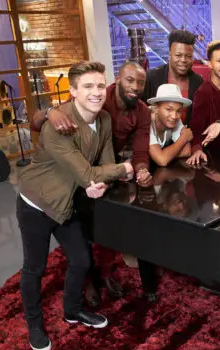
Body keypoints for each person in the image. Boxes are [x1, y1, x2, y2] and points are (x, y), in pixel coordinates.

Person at [17, 61, 133, 350]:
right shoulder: (59, 126)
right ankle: (34, 324)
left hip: (68, 203)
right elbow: (90, 174)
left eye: (99, 85)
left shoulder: (104, 119)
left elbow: (101, 166)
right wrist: (124, 169)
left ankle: (72, 311)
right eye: (87, 87)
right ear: (72, 91)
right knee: (35, 267)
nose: (96, 92)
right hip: (38, 204)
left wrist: (101, 182)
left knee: (81, 260)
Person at [30, 61, 153, 307]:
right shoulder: (97, 96)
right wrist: (49, 112)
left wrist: (141, 170)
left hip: (107, 169)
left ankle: (105, 273)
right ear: (117, 80)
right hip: (75, 169)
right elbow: (40, 121)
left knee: (111, 225)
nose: (136, 87)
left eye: (141, 82)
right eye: (130, 80)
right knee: (81, 231)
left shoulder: (142, 111)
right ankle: (87, 280)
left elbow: (140, 152)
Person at [187, 40, 220, 167]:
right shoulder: (203, 92)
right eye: (219, 61)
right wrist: (197, 149)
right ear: (210, 64)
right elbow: (196, 127)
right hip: (218, 155)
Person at [141, 29, 204, 125]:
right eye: (178, 55)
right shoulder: (151, 78)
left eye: (188, 56)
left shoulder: (198, 81)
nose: (183, 60)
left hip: (187, 136)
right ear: (170, 54)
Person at [147, 84, 193, 167]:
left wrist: (163, 155)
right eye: (169, 109)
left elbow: (187, 151)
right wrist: (184, 137)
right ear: (156, 108)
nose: (174, 116)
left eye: (179, 111)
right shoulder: (146, 122)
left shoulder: (173, 119)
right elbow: (162, 160)